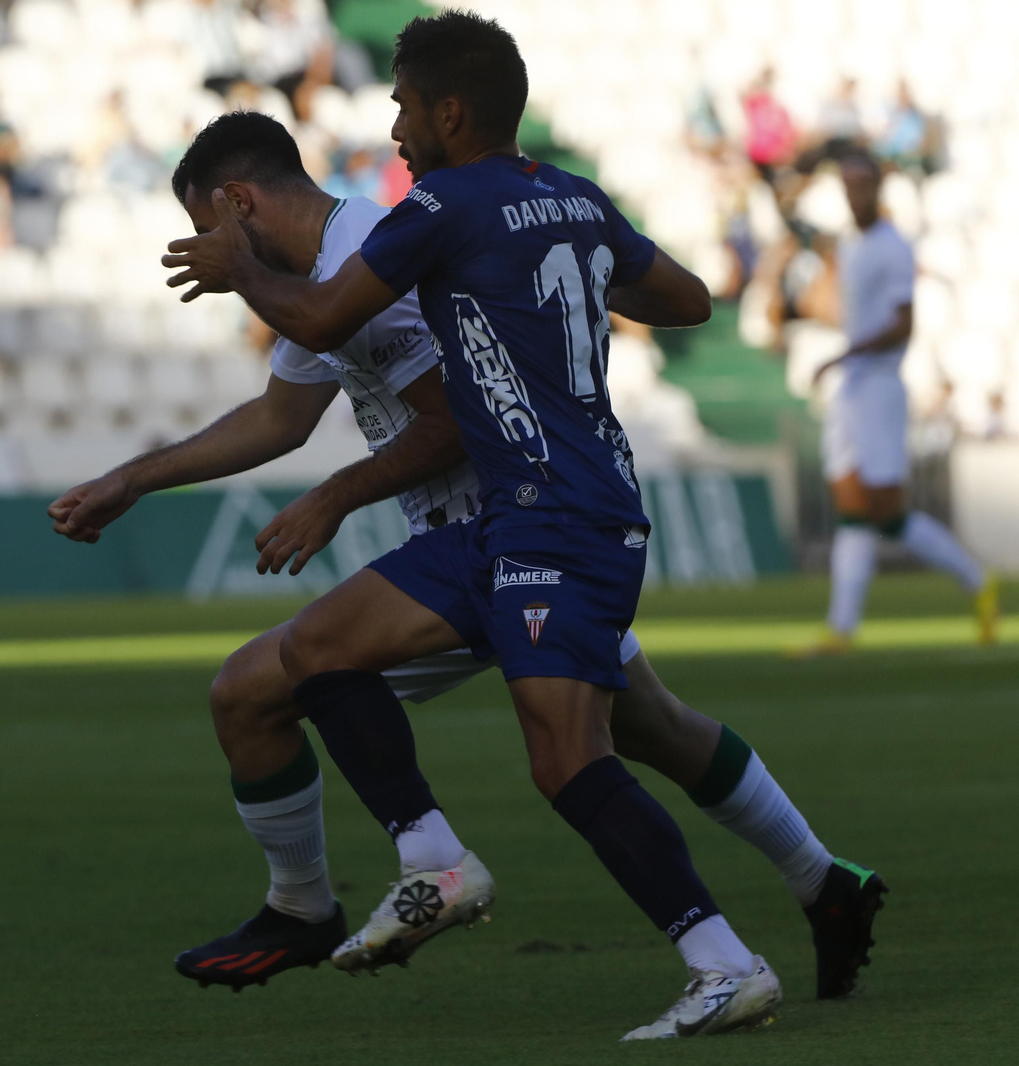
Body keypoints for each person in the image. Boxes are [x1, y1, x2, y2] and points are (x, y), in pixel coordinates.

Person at [57, 109, 883, 1015]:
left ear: (236, 202)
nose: (197, 247)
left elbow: (452, 418)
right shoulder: (323, 276)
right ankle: (821, 880)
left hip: (508, 531)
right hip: (526, 524)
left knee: (285, 677)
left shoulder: (373, 260)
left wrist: (334, 494)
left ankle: (392, 880)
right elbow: (277, 417)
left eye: (203, 225)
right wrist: (133, 479)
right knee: (649, 727)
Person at [800, 152, 997, 654]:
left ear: (878, 188)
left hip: (879, 386)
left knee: (885, 508)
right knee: (850, 504)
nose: (854, 194)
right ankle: (841, 628)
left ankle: (977, 580)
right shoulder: (849, 245)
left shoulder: (892, 247)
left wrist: (845, 353)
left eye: (862, 185)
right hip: (851, 387)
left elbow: (902, 324)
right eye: (847, 185)